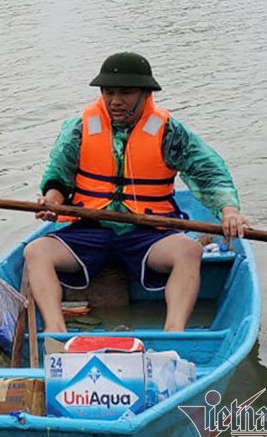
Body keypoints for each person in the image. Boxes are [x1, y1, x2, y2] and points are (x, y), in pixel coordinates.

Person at [24, 52, 250, 334]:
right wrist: (53, 202)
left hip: (148, 233)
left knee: (189, 250)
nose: (115, 101)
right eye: (109, 92)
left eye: (126, 93)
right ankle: (56, 333)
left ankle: (174, 334)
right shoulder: (80, 127)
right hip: (90, 229)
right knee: (35, 251)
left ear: (145, 93)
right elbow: (59, 174)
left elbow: (208, 172)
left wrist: (229, 210)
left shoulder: (169, 131)